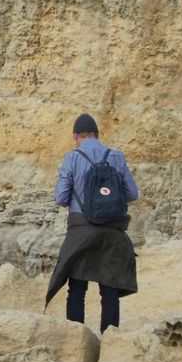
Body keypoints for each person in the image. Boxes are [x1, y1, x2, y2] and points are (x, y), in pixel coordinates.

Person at [45, 113, 139, 333]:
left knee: (77, 287)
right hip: (112, 230)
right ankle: (109, 340)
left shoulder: (73, 157)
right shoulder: (116, 156)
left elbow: (60, 198)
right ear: (97, 135)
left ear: (77, 136)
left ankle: (77, 337)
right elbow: (132, 194)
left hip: (81, 230)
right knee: (109, 288)